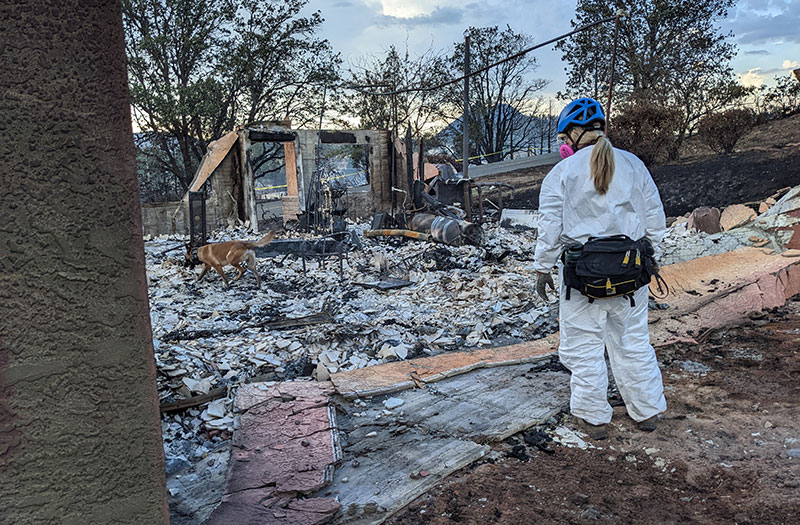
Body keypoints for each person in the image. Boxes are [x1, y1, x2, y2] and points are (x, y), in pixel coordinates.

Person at [533, 97, 666, 440]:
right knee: (634, 342)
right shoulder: (634, 164)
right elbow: (654, 217)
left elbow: (550, 228)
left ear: (577, 134)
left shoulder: (560, 173)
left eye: (564, 137)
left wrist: (542, 268)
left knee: (583, 348)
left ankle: (593, 419)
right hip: (630, 274)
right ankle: (647, 411)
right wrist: (654, 257)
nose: (563, 144)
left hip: (582, 279)